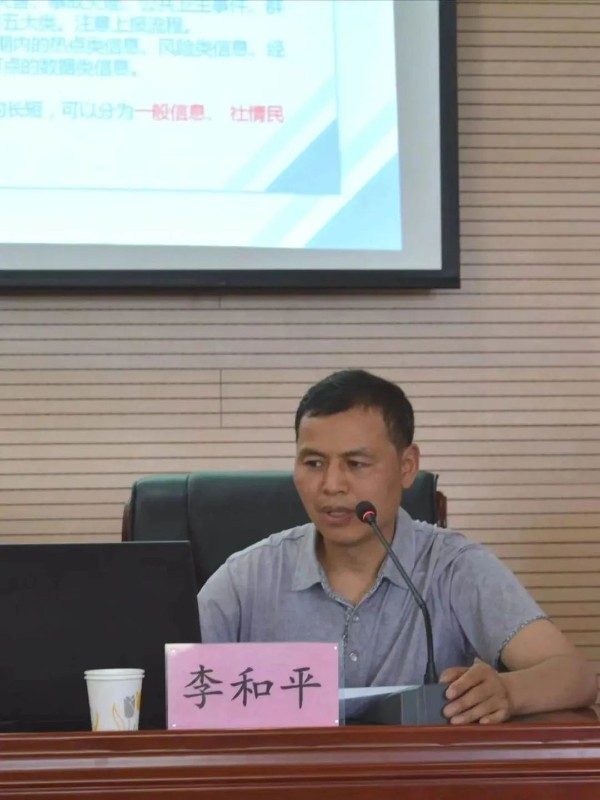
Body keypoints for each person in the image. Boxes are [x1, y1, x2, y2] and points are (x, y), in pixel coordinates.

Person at [198, 369, 597, 724]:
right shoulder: (249, 576)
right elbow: (171, 682)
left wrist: (507, 692)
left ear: (407, 467)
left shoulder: (452, 567)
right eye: (314, 463)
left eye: (356, 464)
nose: (331, 485)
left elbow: (575, 675)